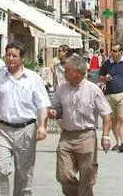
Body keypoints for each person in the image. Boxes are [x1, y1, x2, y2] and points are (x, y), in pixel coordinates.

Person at [0, 40, 51, 196]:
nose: (10, 59)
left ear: (22, 59)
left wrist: (41, 126)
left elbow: (42, 105)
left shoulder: (33, 79)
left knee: (24, 172)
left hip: (26, 129)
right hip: (3, 130)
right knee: (0, 168)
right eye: (8, 55)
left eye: (14, 56)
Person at [49, 54, 112, 196]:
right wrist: (53, 112)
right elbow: (56, 107)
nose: (64, 73)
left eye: (67, 71)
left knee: (87, 177)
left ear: (77, 73)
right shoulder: (62, 88)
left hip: (86, 136)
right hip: (66, 136)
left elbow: (106, 114)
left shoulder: (93, 89)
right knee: (63, 175)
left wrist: (105, 136)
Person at [99, 43, 123, 152]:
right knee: (113, 120)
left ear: (121, 52)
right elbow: (100, 77)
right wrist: (105, 79)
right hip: (109, 95)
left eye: (115, 51)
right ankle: (119, 142)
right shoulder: (106, 64)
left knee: (122, 117)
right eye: (112, 50)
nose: (112, 53)